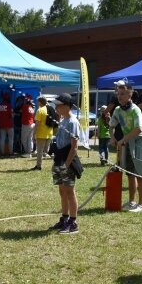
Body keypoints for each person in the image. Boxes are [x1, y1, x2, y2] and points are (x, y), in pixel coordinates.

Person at [111, 81, 142, 212]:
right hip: (128, 143)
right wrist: (112, 137)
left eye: (123, 94)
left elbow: (139, 129)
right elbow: (111, 126)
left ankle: (141, 204)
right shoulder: (118, 110)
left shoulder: (135, 109)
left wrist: (122, 139)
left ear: (130, 95)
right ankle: (131, 202)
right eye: (118, 93)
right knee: (130, 174)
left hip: (139, 142)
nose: (120, 96)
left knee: (140, 174)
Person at [47, 93, 82, 234]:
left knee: (69, 191)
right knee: (62, 191)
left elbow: (74, 146)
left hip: (66, 162)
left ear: (67, 106)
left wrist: (67, 164)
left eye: (59, 105)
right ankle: (65, 218)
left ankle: (73, 222)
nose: (56, 107)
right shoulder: (63, 120)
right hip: (59, 160)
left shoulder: (73, 122)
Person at [32, 96, 54, 171]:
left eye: (38, 101)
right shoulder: (50, 109)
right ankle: (59, 161)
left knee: (40, 151)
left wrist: (34, 133)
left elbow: (37, 123)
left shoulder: (40, 110)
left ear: (40, 102)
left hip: (41, 134)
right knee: (48, 151)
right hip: (50, 133)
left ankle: (38, 166)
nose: (37, 103)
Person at [0, 92, 14, 156]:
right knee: (10, 139)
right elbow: (11, 115)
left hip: (2, 125)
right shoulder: (9, 106)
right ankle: (10, 152)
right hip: (9, 124)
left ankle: (2, 153)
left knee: (2, 138)